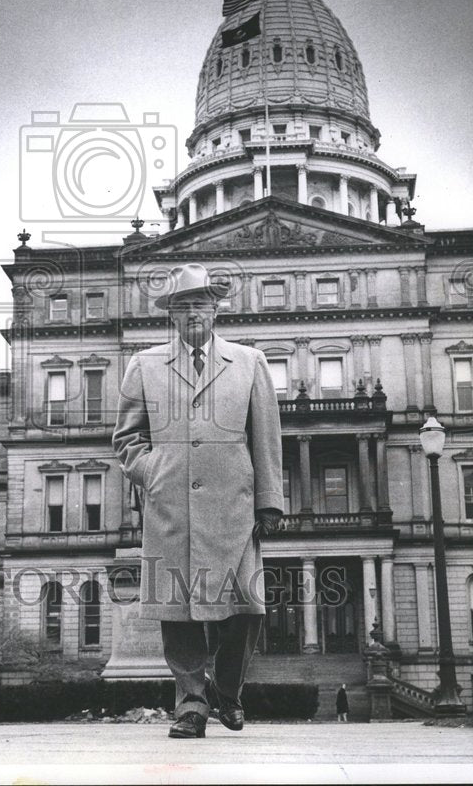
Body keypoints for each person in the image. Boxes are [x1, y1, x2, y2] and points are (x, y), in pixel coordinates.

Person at [113, 263, 284, 739]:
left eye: (201, 305)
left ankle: (226, 691)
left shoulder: (250, 361)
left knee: (246, 607)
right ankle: (190, 705)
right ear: (172, 314)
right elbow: (126, 439)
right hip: (170, 506)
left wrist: (270, 501)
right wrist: (155, 472)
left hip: (235, 504)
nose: (193, 314)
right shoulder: (143, 364)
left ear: (215, 310)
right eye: (183, 306)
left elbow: (267, 435)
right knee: (178, 610)